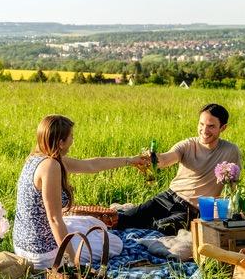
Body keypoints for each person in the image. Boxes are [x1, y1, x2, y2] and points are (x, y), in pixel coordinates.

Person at [12, 114, 147, 270]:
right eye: (71, 137)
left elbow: (90, 165)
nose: (73, 141)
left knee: (94, 223)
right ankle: (65, 257)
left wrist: (130, 160)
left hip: (23, 243)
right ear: (61, 143)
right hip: (41, 253)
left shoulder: (38, 158)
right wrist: (71, 262)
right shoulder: (51, 167)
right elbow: (55, 219)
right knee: (114, 244)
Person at [114, 103, 242, 235]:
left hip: (190, 210)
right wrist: (154, 159)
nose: (204, 130)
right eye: (201, 124)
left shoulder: (231, 151)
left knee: (157, 230)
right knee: (122, 219)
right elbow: (166, 159)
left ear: (223, 128)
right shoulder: (188, 145)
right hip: (167, 197)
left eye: (211, 126)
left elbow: (234, 187)